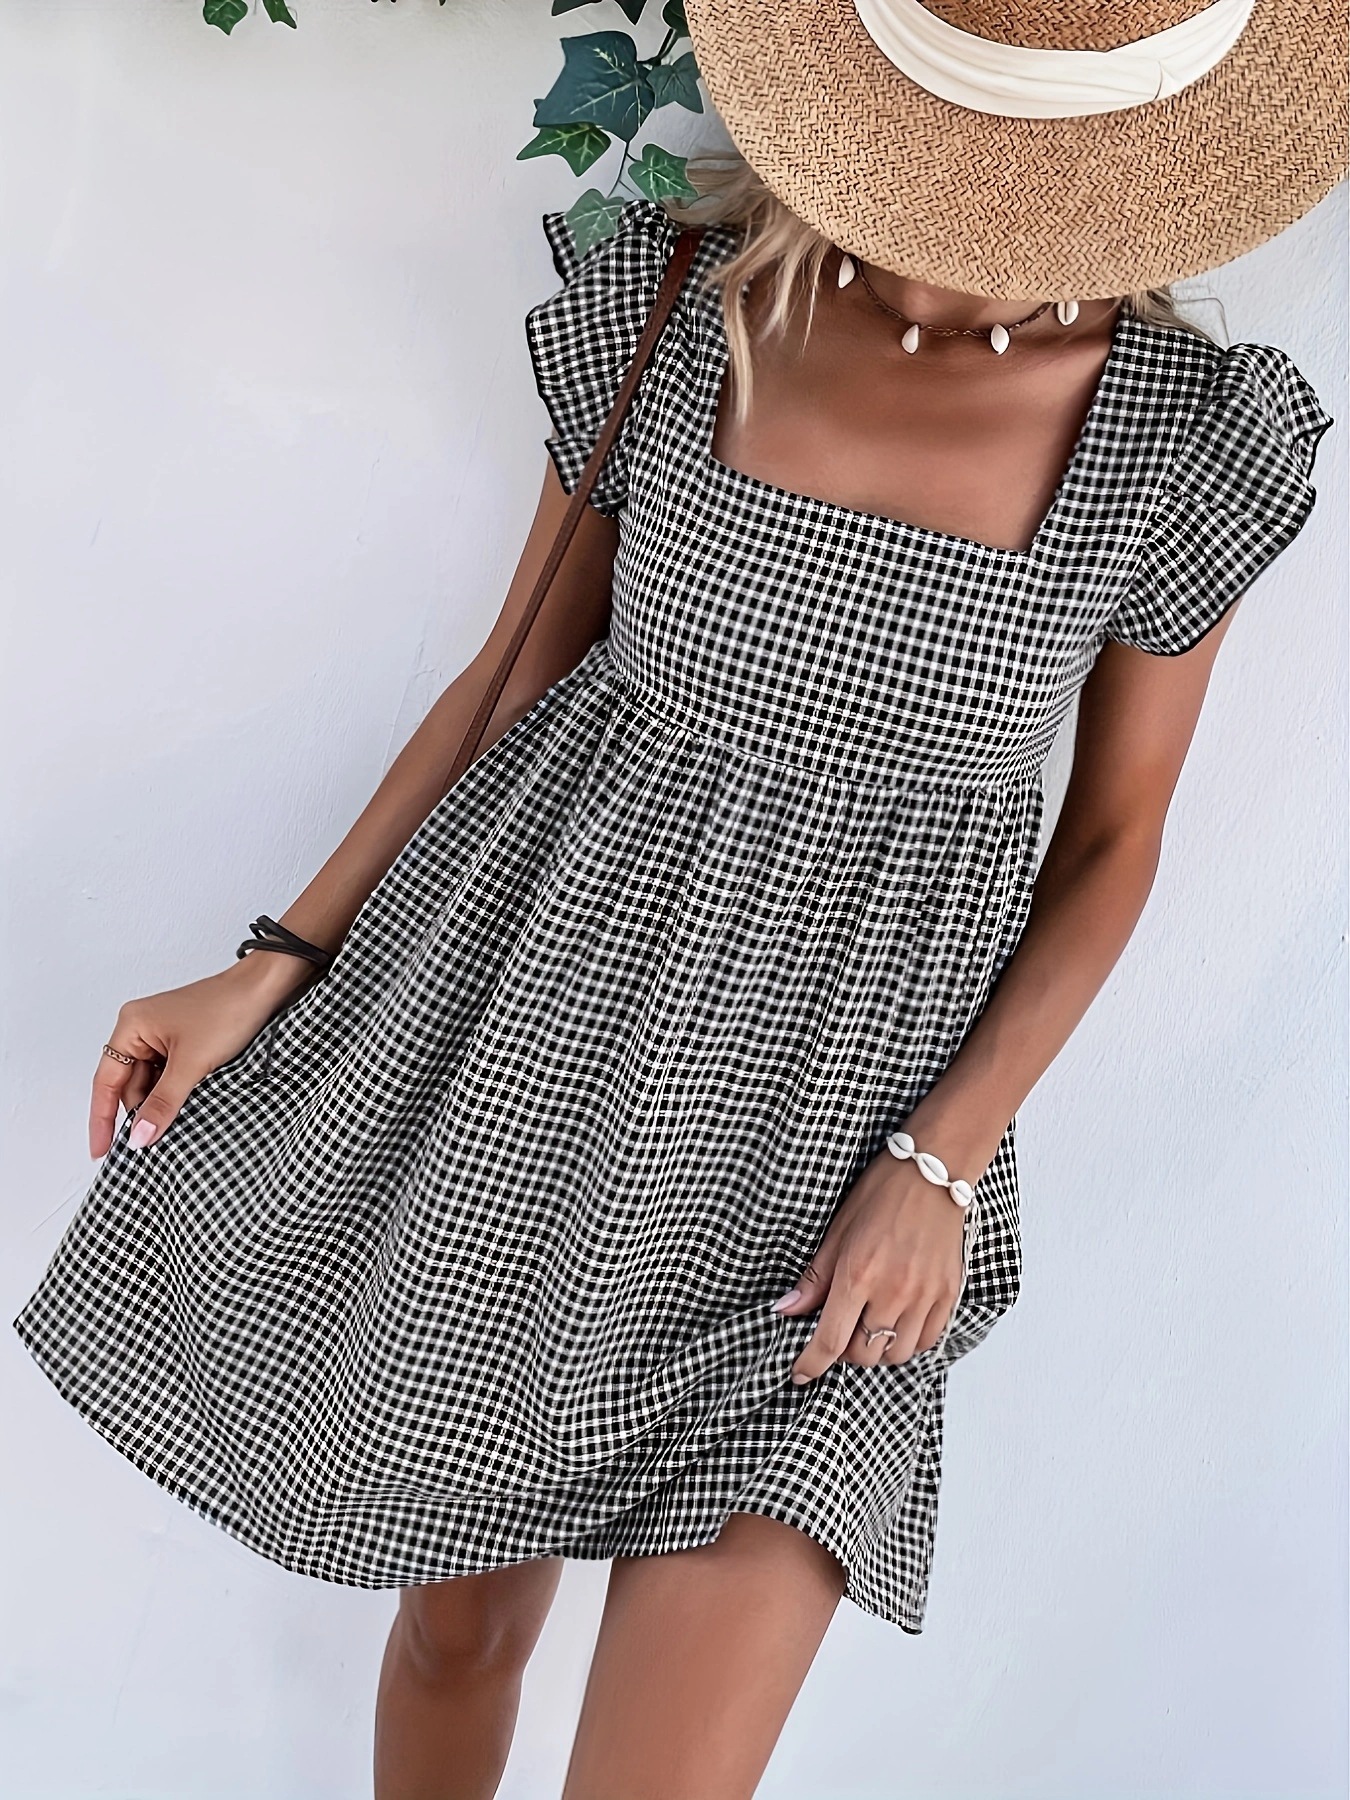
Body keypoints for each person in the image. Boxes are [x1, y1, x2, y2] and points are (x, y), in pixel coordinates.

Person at [13, 2, 1343, 1796]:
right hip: (530, 1079)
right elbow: (512, 677)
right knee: (456, 1635)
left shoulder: (1185, 437)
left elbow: (1111, 845)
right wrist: (277, 957)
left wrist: (942, 1164)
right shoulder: (677, 298)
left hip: (840, 1167)